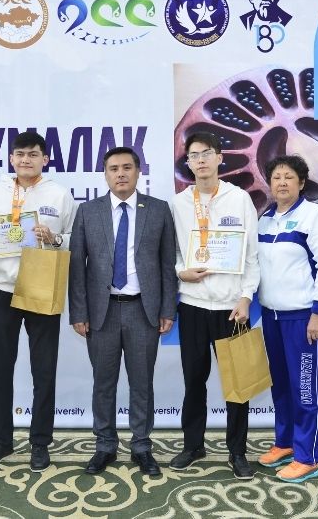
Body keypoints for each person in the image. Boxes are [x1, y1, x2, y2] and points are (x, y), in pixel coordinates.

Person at [69, 147, 178, 477]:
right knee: (103, 383)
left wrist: (167, 308)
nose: (120, 173)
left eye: (127, 167)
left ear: (138, 171)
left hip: (143, 311)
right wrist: (78, 312)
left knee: (142, 383)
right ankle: (105, 445)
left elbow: (167, 263)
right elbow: (77, 266)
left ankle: (142, 446)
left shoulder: (158, 210)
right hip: (101, 313)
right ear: (105, 174)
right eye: (114, 168)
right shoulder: (88, 211)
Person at [0, 131, 76, 472]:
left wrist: (55, 238)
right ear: (11, 159)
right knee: (0, 368)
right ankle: (1, 441)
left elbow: (75, 239)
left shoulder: (59, 194)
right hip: (1, 289)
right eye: (20, 154)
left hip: (42, 286)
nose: (26, 160)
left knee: (44, 370)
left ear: (45, 159)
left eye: (33, 154)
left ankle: (40, 442)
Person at [169, 131, 260, 480]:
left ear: (220, 158)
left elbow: (251, 255)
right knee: (194, 379)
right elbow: (172, 253)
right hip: (192, 305)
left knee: (238, 383)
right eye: (194, 155)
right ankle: (193, 445)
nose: (201, 160)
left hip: (231, 307)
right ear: (188, 163)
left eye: (206, 153)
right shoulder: (178, 203)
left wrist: (246, 297)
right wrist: (181, 272)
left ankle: (237, 451)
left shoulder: (240, 199)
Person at [256, 155, 318, 483]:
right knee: (281, 385)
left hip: (303, 318)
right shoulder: (265, 220)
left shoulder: (315, 216)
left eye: (289, 177)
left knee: (305, 389)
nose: (282, 183)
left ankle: (308, 457)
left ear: (301, 183)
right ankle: (286, 443)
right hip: (272, 317)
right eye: (276, 177)